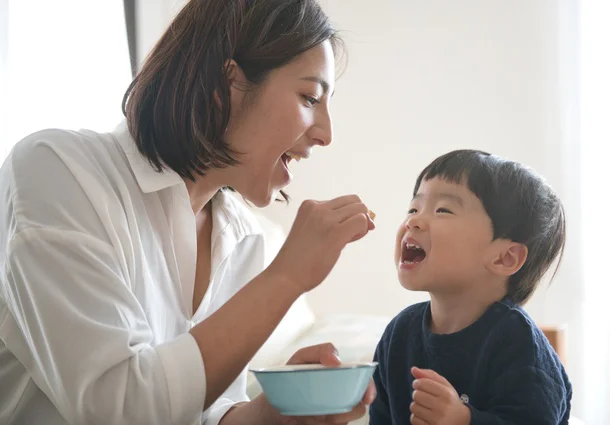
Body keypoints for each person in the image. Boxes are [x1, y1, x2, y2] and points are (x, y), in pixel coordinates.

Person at [0, 1, 376, 424]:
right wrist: (287, 276)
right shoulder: (58, 170)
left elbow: (203, 414)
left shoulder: (241, 238)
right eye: (310, 97)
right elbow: (117, 408)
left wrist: (272, 413)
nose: (326, 134)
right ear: (229, 83)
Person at [369, 150, 572, 425]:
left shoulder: (519, 344)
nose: (412, 221)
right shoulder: (400, 333)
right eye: (413, 208)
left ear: (504, 257)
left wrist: (464, 420)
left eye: (443, 210)